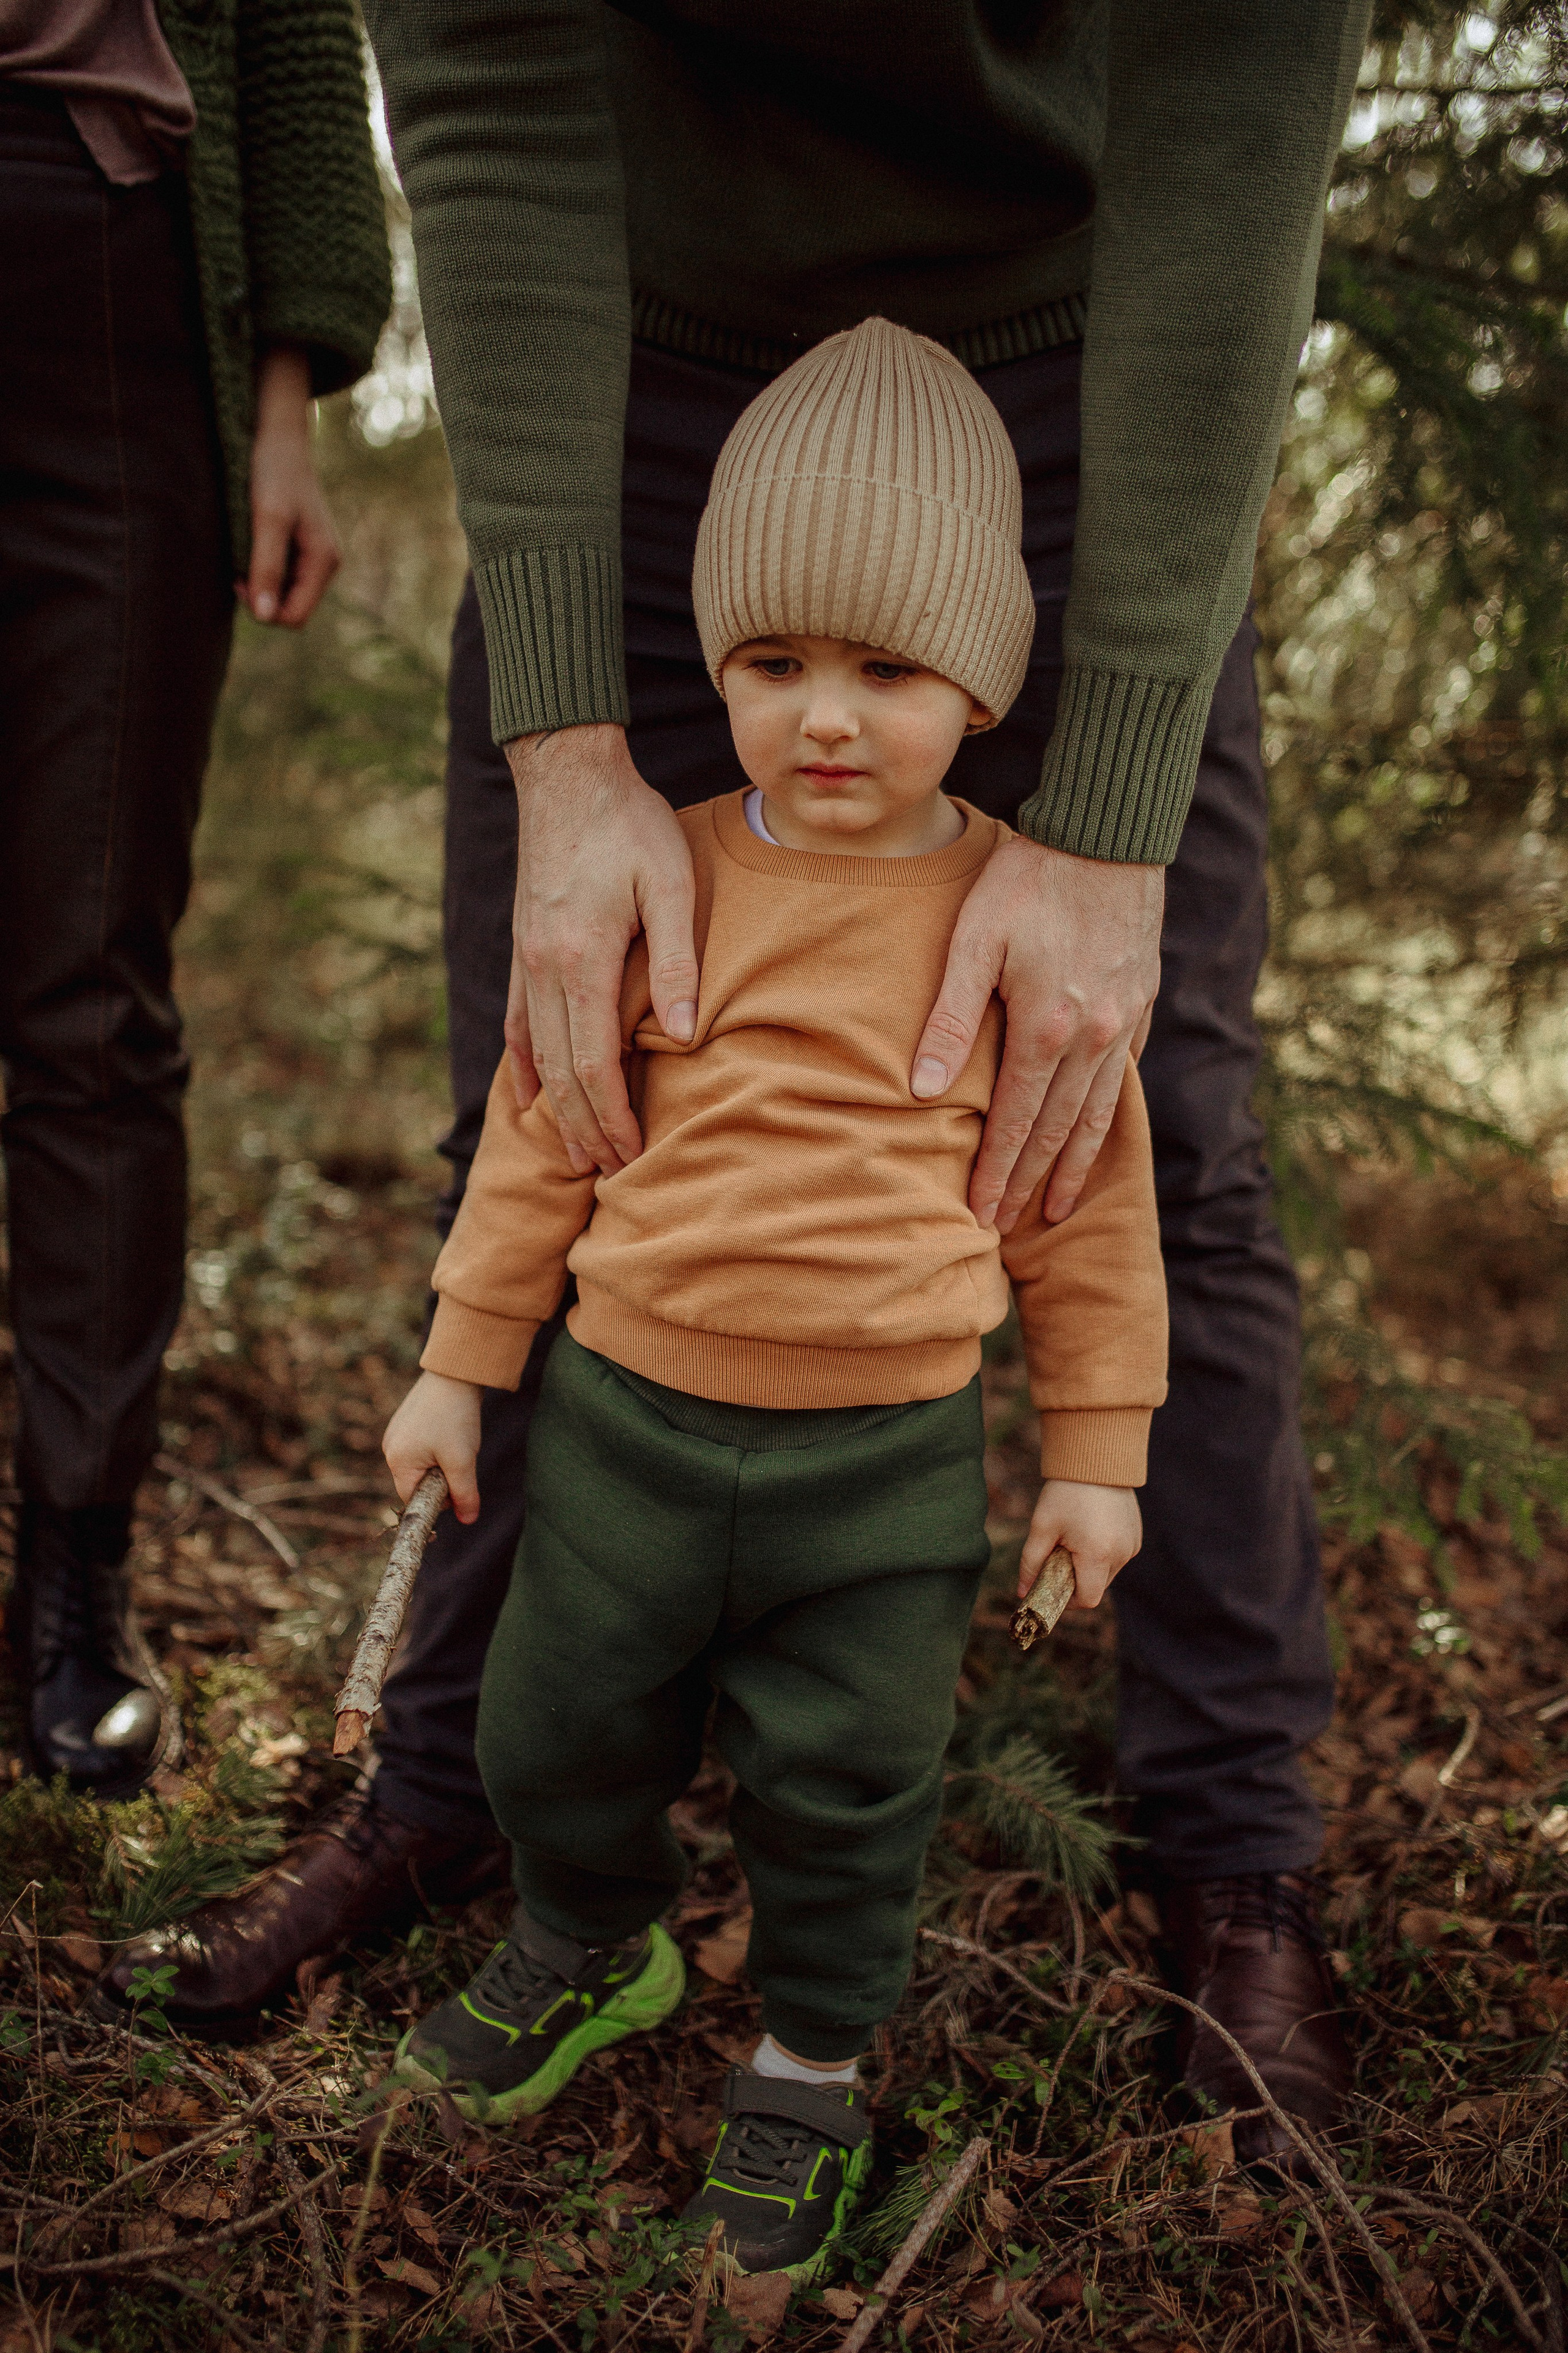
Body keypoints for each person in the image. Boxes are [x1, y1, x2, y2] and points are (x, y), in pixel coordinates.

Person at [109, 1, 1361, 2168]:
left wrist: (1123, 776)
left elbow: (1243, 82)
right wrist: (570, 736)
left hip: (1090, 360)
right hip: (631, 359)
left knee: (1153, 1119)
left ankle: (1235, 1852)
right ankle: (453, 1797)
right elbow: (488, 68)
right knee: (558, 1058)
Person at [380, 321, 1167, 2282]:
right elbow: (541, 1131)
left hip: (885, 1462)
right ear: (716, 666)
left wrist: (1097, 1456)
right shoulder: (657, 873)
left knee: (847, 1780)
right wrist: (459, 1366)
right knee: (553, 1718)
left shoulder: (1020, 926)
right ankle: (590, 1941)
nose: (827, 716)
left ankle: (810, 2066)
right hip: (628, 1418)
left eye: (887, 670)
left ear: (981, 685)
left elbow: (1089, 1215)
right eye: (774, 663)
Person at [1, 0, 389, 1797]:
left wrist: (284, 399)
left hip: (120, 281)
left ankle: (78, 1577)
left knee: (90, 985)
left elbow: (295, 28)